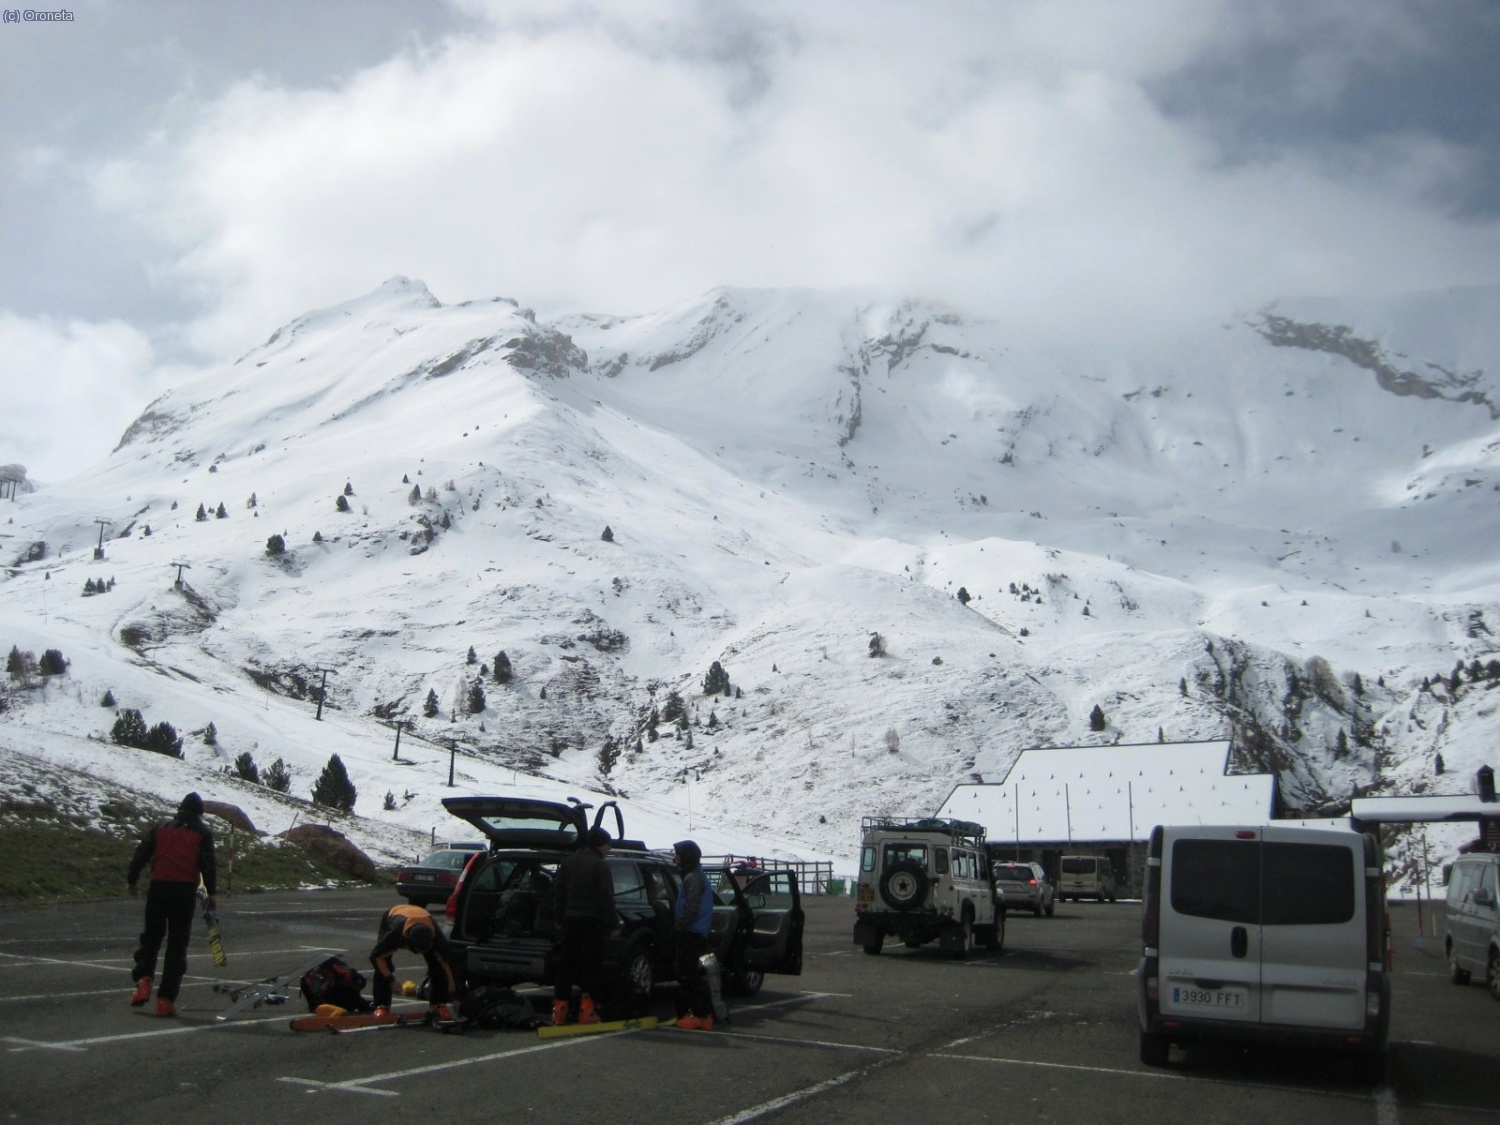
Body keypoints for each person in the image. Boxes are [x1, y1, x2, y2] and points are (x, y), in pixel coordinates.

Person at [126, 791, 217, 1017]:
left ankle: (143, 981)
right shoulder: (202, 833)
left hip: (158, 888)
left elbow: (141, 853)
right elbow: (207, 865)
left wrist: (132, 879)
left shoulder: (161, 828)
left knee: (151, 938)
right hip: (184, 891)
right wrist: (211, 893)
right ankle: (165, 999)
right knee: (177, 945)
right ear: (199, 813)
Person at [551, 826, 618, 1025]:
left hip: (570, 920)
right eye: (607, 844)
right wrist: (612, 924)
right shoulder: (600, 865)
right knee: (591, 966)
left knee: (566, 965)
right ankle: (587, 1011)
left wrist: (559, 919)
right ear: (600, 844)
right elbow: (606, 898)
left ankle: (560, 1010)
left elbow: (559, 893)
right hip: (592, 922)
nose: (609, 848)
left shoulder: (568, 861)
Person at [369, 903, 459, 1019]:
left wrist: (456, 996)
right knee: (384, 962)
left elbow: (449, 965)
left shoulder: (437, 938)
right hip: (395, 915)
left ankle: (438, 1003)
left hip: (421, 917)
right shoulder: (395, 935)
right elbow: (376, 957)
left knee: (438, 965)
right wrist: (390, 980)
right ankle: (382, 1005)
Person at [672, 839, 716, 1030]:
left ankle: (701, 1015)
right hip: (695, 930)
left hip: (692, 931)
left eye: (678, 855)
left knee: (688, 974)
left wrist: (678, 926)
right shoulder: (694, 875)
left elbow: (691, 907)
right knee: (689, 973)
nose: (675, 858)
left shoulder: (693, 877)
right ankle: (698, 1013)